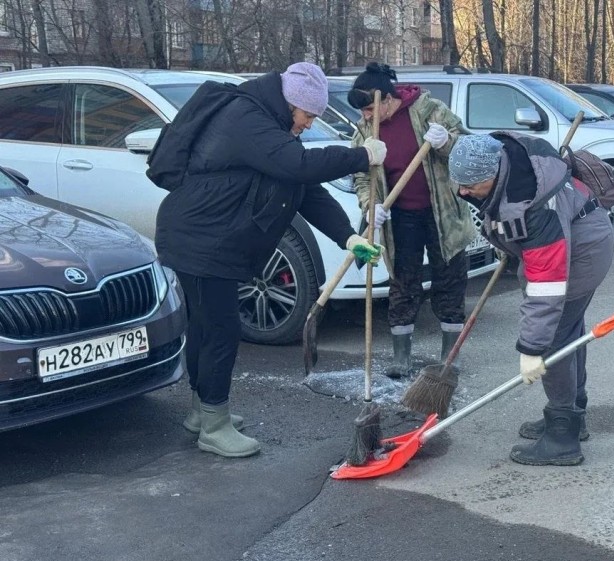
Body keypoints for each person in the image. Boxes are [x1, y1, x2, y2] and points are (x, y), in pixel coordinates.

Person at [153, 63, 387, 458]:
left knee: (207, 327)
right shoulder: (246, 118)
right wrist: (359, 156)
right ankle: (213, 424)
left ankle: (201, 411)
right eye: (308, 115)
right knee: (221, 330)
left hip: (211, 240)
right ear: (291, 103)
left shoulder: (273, 128)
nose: (308, 125)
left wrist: (347, 236)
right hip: (201, 241)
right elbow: (298, 165)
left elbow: (305, 187)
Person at [448, 133, 614, 466]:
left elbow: (547, 288)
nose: (463, 192)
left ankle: (562, 436)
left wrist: (532, 348)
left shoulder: (533, 207)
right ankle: (572, 415)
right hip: (584, 236)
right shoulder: (509, 159)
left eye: (471, 185)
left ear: (494, 175)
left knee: (554, 342)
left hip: (581, 255)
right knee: (569, 333)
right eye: (459, 184)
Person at [347, 62, 476, 378]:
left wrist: (446, 141)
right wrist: (369, 206)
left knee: (450, 279)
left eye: (368, 109)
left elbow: (468, 148)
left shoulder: (430, 110)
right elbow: (362, 177)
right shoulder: (365, 131)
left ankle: (450, 355)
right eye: (362, 111)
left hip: (442, 213)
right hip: (400, 216)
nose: (365, 116)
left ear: (387, 99)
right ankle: (401, 358)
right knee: (403, 281)